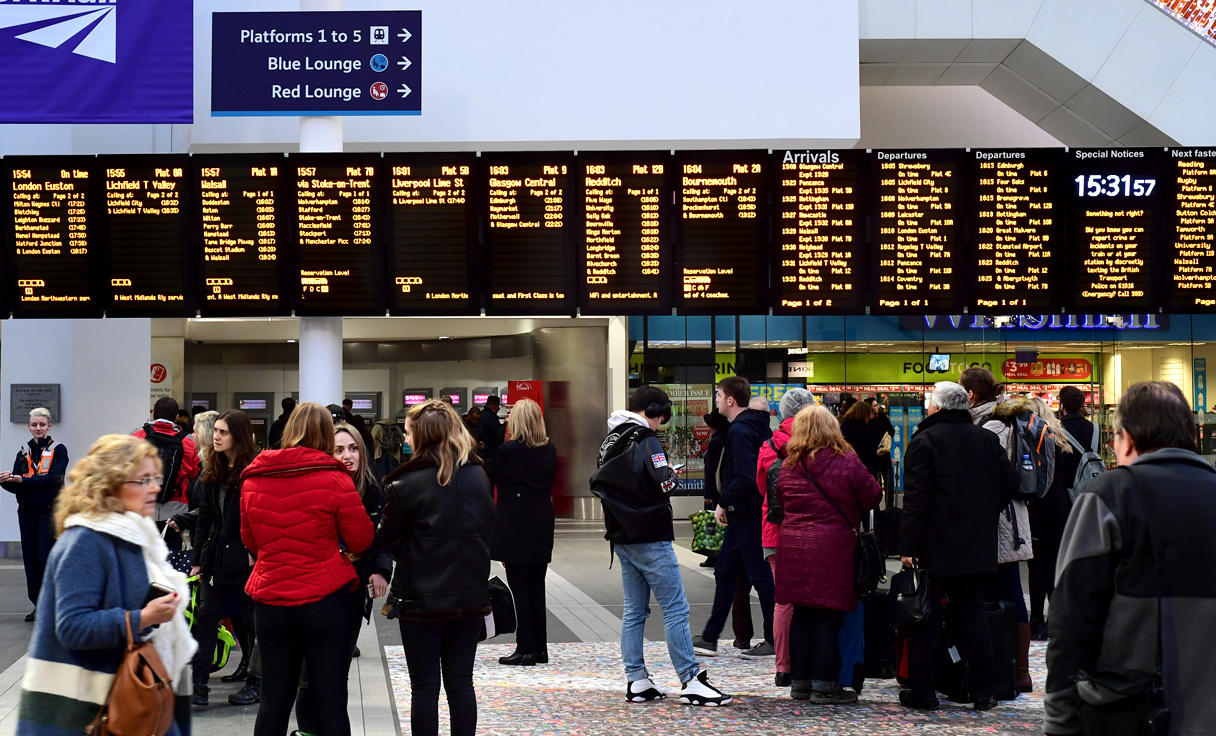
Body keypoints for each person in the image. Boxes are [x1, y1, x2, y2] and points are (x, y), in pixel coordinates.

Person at [1046, 381, 1216, 736]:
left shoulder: (1109, 494)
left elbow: (1072, 615)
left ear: (1128, 437)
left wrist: (1060, 718)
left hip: (1130, 706)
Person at [16, 435, 196, 734]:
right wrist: (145, 618)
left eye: (156, 478)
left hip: (122, 699)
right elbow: (73, 626)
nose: (155, 488)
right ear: (109, 485)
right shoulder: (86, 541)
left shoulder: (134, 536)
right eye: (142, 480)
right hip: (84, 711)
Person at [591, 385, 732, 706]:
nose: (661, 423)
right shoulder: (646, 438)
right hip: (650, 533)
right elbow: (663, 482)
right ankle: (691, 679)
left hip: (621, 534)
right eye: (661, 416)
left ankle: (637, 679)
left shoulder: (611, 439)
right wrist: (673, 474)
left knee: (634, 611)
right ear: (653, 411)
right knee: (676, 608)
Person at [240, 402, 374, 736]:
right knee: (329, 699)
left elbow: (251, 542)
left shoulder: (254, 479)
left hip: (270, 603)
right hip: (324, 600)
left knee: (274, 698)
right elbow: (361, 540)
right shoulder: (334, 479)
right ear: (327, 435)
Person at [899, 381, 1018, 712]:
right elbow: (1011, 482)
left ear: (936, 407)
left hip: (933, 547)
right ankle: (984, 691)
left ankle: (924, 691)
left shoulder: (924, 441)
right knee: (973, 617)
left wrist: (907, 546)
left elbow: (916, 500)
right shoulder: (985, 439)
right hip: (976, 545)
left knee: (925, 617)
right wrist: (985, 511)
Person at [378, 400, 495, 736]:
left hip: (421, 601)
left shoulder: (404, 484)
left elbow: (390, 541)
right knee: (461, 684)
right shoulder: (479, 475)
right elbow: (487, 528)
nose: (406, 438)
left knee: (425, 687)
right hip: (472, 597)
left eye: (409, 432)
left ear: (422, 436)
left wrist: (418, 554)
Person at [777, 404, 882, 704]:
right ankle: (825, 685)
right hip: (832, 546)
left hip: (794, 544)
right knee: (827, 616)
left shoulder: (789, 463)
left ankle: (800, 683)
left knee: (801, 614)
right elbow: (873, 494)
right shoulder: (846, 460)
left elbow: (781, 501)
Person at [294, 422, 392, 734]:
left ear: (363, 453)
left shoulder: (375, 492)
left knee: (338, 675)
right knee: (309, 676)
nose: (347, 456)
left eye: (353, 449)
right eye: (338, 450)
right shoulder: (312, 489)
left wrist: (380, 569)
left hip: (351, 594)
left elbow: (383, 541)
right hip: (315, 593)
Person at [169, 410, 261, 707]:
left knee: (251, 621)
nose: (217, 437)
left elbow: (260, 518)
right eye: (216, 431)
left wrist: (254, 553)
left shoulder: (253, 472)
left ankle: (257, 680)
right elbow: (206, 520)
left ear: (239, 436)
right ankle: (198, 683)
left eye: (223, 432)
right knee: (207, 617)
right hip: (215, 557)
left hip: (246, 558)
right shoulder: (212, 471)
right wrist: (197, 560)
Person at [960, 367, 1037, 693]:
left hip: (999, 520)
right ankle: (1016, 671)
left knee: (1001, 593)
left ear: (971, 395)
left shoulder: (990, 425)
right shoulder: (1004, 420)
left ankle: (1012, 670)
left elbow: (989, 476)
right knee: (1009, 593)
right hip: (1012, 517)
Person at [693, 376, 776, 660]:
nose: (716, 400)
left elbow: (745, 476)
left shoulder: (739, 431)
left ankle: (774, 639)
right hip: (746, 513)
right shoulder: (755, 425)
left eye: (718, 395)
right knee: (726, 571)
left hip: (746, 513)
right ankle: (709, 637)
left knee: (760, 575)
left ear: (730, 400)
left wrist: (723, 503)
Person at [485, 399, 558, 667]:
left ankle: (525, 648)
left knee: (520, 590)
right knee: (536, 587)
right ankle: (540, 648)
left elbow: (486, 473)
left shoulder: (510, 451)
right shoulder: (549, 450)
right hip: (541, 522)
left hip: (516, 525)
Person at [756, 388, 818, 687]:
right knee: (814, 598)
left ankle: (784, 667)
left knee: (783, 601)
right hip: (811, 530)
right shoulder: (820, 443)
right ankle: (810, 663)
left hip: (775, 530)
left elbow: (761, 487)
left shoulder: (769, 444)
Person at [1029, 387, 1091, 641]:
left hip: (1038, 509)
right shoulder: (1061, 439)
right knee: (1056, 563)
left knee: (1037, 567)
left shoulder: (1034, 440)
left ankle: (1036, 620)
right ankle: (1057, 618)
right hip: (1062, 508)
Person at [0, 407, 68, 622]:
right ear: (29, 427)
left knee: (46, 558)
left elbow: (53, 479)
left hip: (49, 514)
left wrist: (24, 481)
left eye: (42, 424)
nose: (38, 428)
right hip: (27, 514)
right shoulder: (23, 453)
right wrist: (6, 482)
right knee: (30, 561)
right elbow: (19, 486)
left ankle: (53, 605)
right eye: (34, 425)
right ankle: (38, 605)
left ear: (49, 426)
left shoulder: (59, 450)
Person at [132, 396, 201, 527]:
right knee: (171, 547)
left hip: (142, 507)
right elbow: (195, 474)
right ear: (176, 417)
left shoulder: (137, 436)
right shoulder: (188, 441)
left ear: (153, 413)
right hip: (175, 511)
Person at [839, 400, 880, 476]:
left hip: (844, 468)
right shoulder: (864, 431)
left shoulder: (843, 427)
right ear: (865, 414)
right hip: (862, 470)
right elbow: (870, 453)